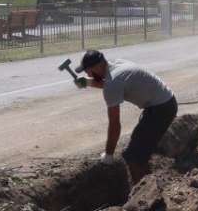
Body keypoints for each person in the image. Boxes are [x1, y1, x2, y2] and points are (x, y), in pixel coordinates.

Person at [74, 49, 177, 183]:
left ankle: (143, 196)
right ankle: (150, 185)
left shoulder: (113, 83)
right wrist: (88, 82)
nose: (87, 74)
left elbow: (115, 124)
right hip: (164, 101)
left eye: (87, 71)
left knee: (132, 156)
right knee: (139, 153)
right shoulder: (116, 64)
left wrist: (109, 154)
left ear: (97, 67)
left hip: (161, 108)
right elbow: (115, 84)